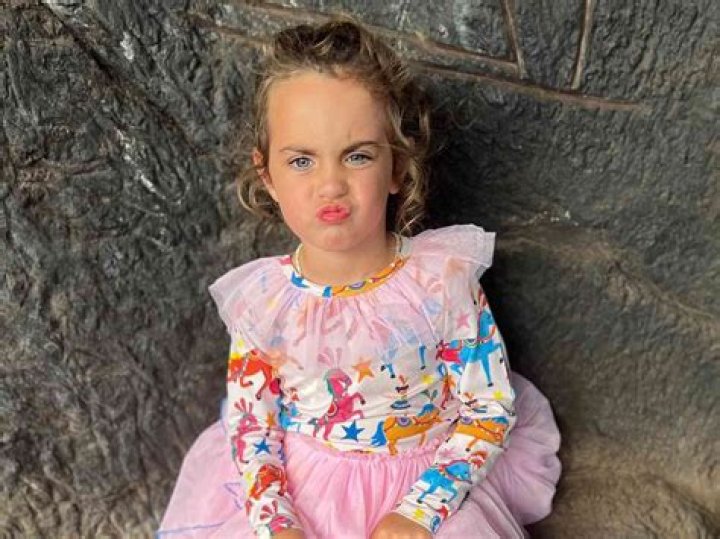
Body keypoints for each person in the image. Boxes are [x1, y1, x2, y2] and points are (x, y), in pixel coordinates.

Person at [157, 16, 561, 539]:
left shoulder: (440, 283)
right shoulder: (265, 305)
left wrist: (420, 512)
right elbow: (252, 423)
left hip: (428, 488)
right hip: (301, 493)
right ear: (267, 176)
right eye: (302, 161)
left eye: (357, 156)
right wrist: (278, 524)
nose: (331, 185)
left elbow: (488, 407)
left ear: (397, 168)